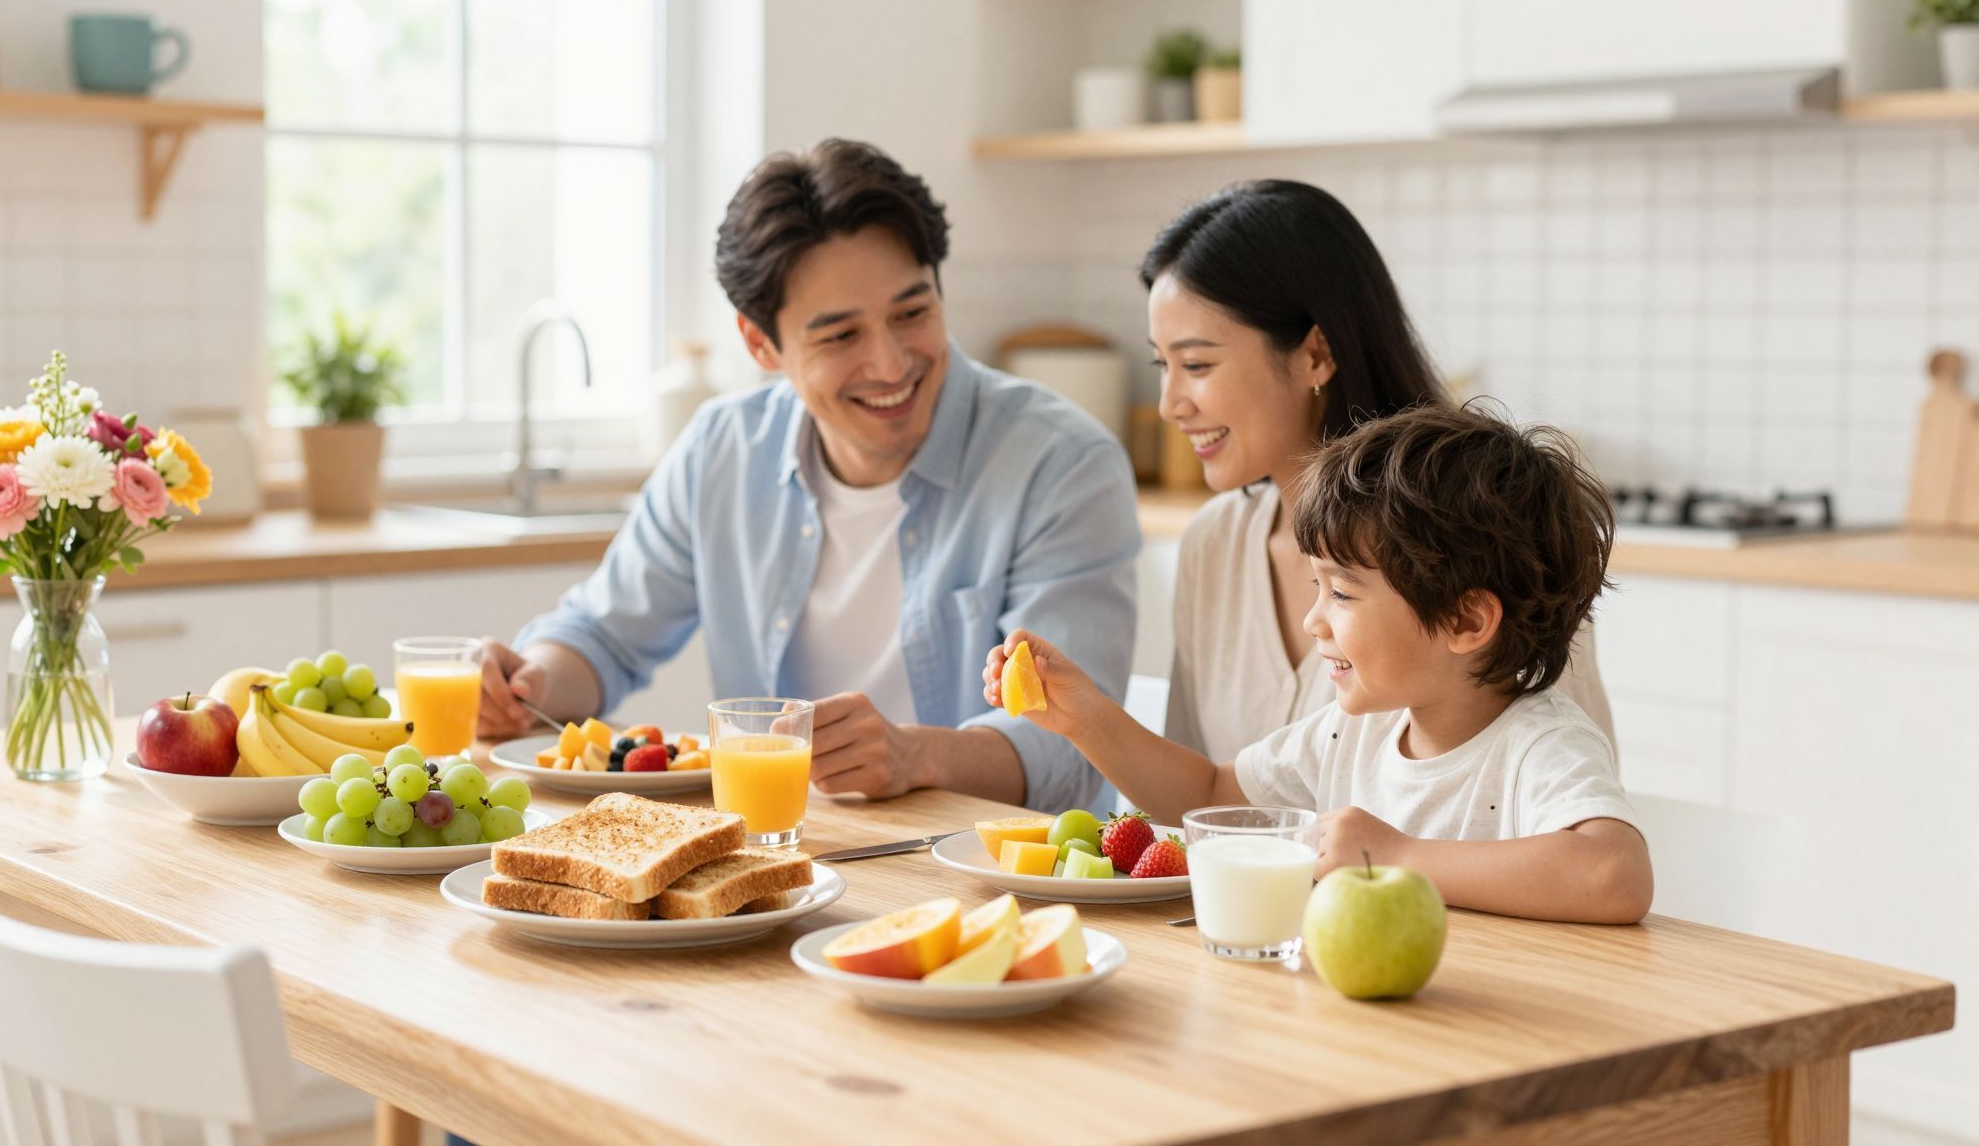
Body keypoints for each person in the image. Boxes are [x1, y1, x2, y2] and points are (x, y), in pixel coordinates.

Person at [476, 138, 1138, 813]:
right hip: (779, 856)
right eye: (840, 336)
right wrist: (527, 685)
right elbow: (604, 634)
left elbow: (1073, 749)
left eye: (912, 313)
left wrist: (915, 756)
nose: (890, 364)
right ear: (760, 343)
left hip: (988, 888)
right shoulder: (723, 449)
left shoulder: (1062, 466)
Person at [984, 404, 1652, 924]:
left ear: (1465, 620)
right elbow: (1211, 798)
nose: (1315, 621)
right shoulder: (1353, 730)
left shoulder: (1540, 744)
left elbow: (1614, 875)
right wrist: (1087, 720)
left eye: (1341, 593)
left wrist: (1401, 858)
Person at [1141, 180, 1615, 766]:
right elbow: (1192, 811)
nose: (1169, 403)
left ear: (1316, 353)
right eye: (1163, 365)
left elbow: (1571, 822)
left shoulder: (1482, 541)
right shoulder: (1215, 543)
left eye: (1195, 364)